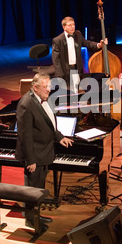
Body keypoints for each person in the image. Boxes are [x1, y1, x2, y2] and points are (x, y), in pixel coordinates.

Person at [15, 73, 73, 226]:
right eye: (46, 87)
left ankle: (36, 216)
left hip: (44, 153)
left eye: (49, 86)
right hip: (35, 155)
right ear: (35, 87)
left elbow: (49, 123)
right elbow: (25, 136)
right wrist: (30, 160)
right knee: (32, 190)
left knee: (39, 189)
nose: (49, 90)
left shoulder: (43, 100)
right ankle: (30, 220)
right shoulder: (26, 105)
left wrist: (59, 136)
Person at [52, 16, 107, 93]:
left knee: (75, 89)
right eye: (70, 25)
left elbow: (87, 43)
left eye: (73, 24)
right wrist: (59, 76)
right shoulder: (58, 40)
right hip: (65, 69)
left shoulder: (78, 34)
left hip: (76, 67)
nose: (72, 27)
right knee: (68, 91)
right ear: (64, 27)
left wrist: (99, 45)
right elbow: (56, 59)